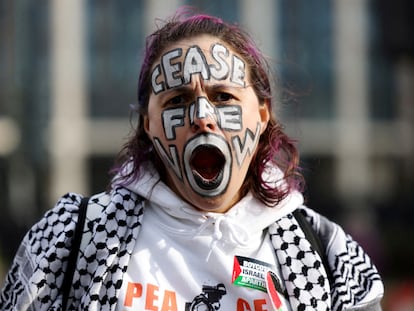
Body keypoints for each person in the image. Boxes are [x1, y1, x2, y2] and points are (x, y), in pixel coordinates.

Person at [0, 9, 384, 311]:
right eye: (177, 100)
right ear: (148, 122)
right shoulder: (70, 239)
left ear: (263, 114)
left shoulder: (331, 258)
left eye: (223, 97)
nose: (202, 115)